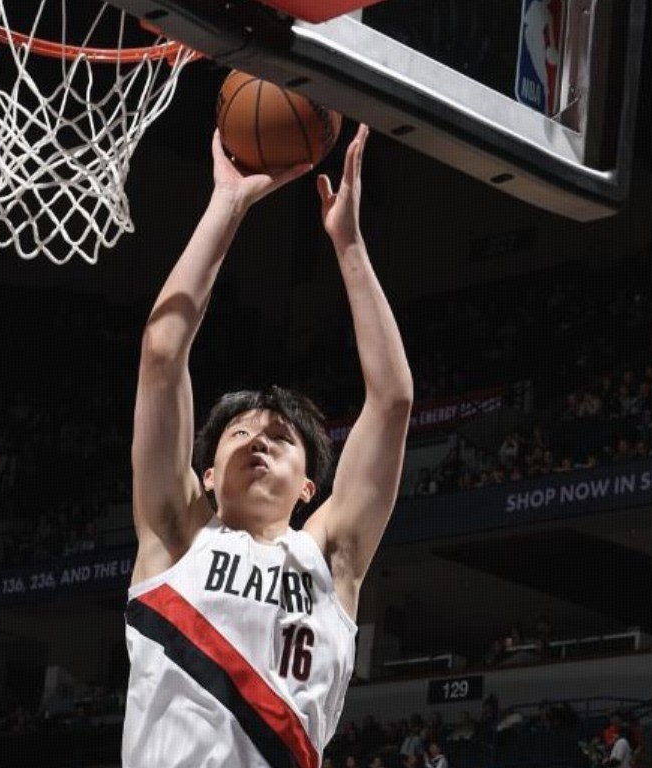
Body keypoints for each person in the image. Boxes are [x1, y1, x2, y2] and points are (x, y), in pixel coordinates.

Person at [121, 124, 413, 768]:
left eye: (281, 437)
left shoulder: (328, 557)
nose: (260, 441)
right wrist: (225, 206)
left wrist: (350, 245)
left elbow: (392, 402)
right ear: (205, 475)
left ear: (309, 488)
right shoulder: (178, 536)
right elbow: (162, 354)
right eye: (240, 433)